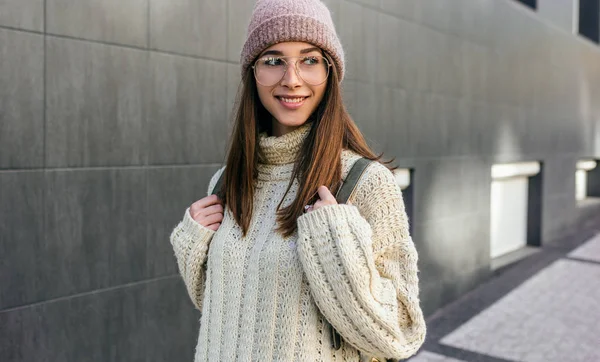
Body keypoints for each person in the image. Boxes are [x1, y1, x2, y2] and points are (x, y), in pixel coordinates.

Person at [169, 0, 426, 360]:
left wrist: (336, 242)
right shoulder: (227, 182)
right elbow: (230, 313)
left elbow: (400, 334)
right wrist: (192, 245)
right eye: (273, 61)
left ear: (329, 71)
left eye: (309, 60)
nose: (292, 79)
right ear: (252, 73)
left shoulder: (365, 183)